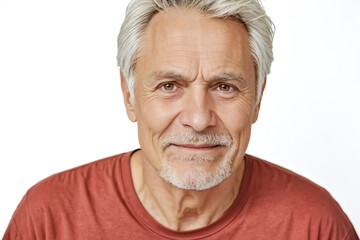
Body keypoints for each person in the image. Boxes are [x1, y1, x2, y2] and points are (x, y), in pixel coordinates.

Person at [3, 0, 359, 239]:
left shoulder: (315, 225)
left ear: (258, 99)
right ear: (129, 96)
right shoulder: (49, 219)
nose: (199, 118)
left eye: (225, 86)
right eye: (169, 85)